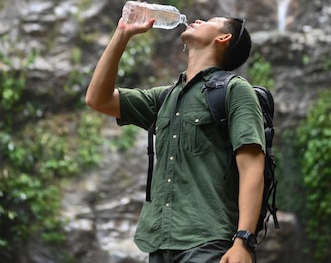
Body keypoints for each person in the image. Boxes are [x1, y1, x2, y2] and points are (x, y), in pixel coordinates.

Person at [85, 14, 266, 263]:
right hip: (159, 245)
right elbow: (98, 99)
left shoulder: (235, 90)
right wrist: (122, 33)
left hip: (209, 244)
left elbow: (252, 167)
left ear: (223, 38)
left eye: (209, 21)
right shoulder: (165, 98)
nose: (199, 19)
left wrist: (243, 241)